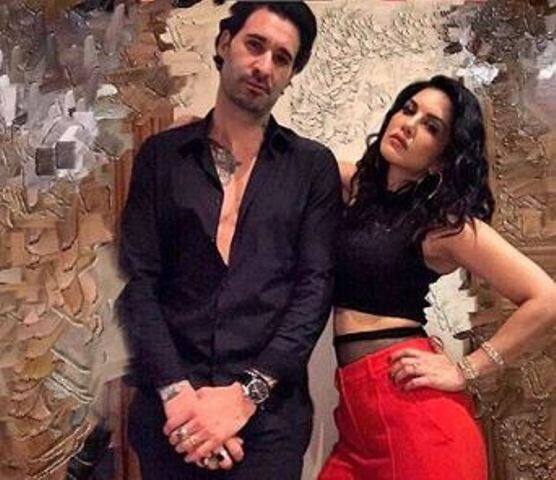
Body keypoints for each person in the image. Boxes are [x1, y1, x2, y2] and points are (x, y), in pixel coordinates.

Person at [117, 2, 342, 479]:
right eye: (254, 45)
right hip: (170, 411)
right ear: (224, 44)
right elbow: (137, 282)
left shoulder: (311, 167)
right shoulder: (161, 158)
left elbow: (314, 290)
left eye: (282, 58)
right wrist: (179, 398)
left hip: (267, 420)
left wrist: (245, 396)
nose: (264, 66)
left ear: (292, 74)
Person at [318, 75, 556, 480]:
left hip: (416, 417)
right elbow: (289, 159)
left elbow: (546, 298)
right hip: (356, 416)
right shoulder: (357, 187)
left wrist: (467, 369)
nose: (409, 125)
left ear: (442, 158)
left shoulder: (444, 225)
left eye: (431, 127)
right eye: (408, 109)